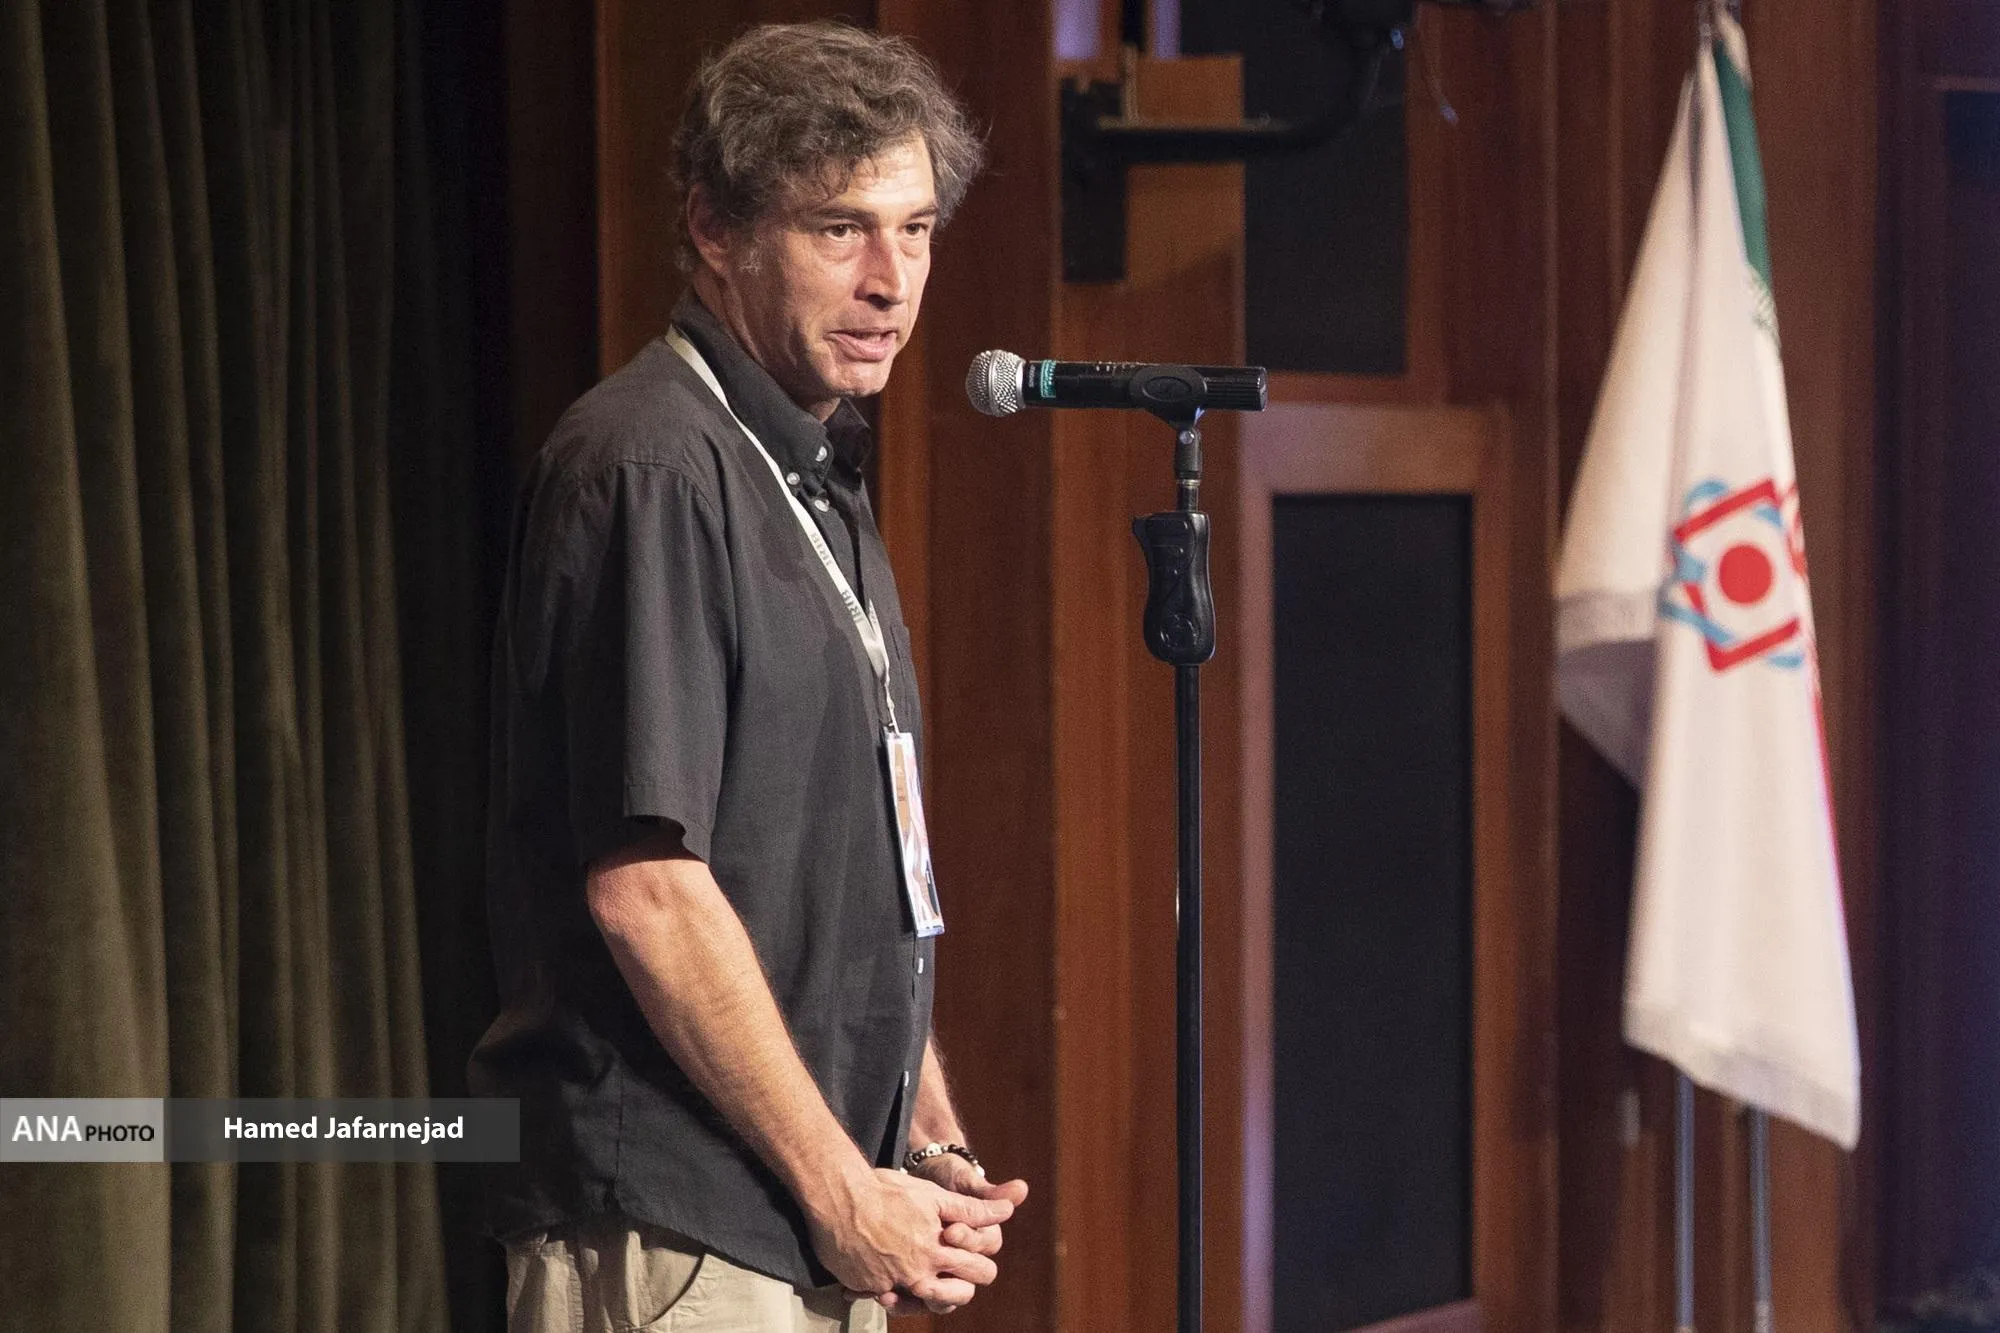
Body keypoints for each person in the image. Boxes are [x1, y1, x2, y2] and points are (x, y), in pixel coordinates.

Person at [471, 22, 1027, 1332]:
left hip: (815, 1212)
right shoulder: (653, 466)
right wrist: (841, 1188)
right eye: (841, 230)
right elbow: (649, 890)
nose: (891, 281)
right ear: (714, 229)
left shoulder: (812, 467)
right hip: (683, 1223)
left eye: (916, 229)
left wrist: (923, 1131)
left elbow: (841, 873)